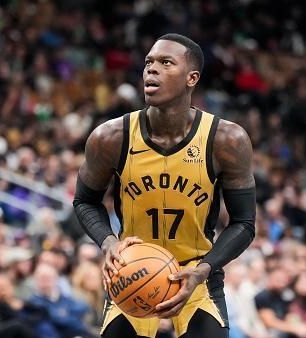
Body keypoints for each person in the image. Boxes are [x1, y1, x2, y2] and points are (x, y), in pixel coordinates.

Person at [73, 33, 256, 338]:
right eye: (148, 63)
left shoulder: (226, 140)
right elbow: (84, 201)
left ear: (191, 78)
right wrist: (108, 243)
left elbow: (244, 224)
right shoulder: (111, 137)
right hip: (133, 273)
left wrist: (203, 270)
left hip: (197, 275)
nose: (151, 69)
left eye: (165, 62)